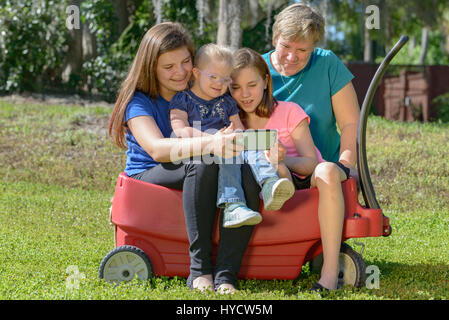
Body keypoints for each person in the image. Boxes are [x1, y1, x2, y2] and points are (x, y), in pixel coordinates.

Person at [108, 22, 256, 294]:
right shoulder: (139, 101)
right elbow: (156, 149)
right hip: (150, 174)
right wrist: (211, 142)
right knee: (202, 160)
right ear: (151, 67)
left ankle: (226, 274)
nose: (180, 72)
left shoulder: (201, 91)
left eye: (185, 62)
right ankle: (200, 271)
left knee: (244, 171)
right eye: (169, 67)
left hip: (194, 164)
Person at [261, 3, 361, 291]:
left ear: (314, 47)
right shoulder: (255, 68)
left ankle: (329, 274)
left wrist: (346, 163)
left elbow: (350, 124)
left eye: (303, 50)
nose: (292, 56)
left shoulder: (327, 64)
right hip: (269, 166)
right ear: (274, 37)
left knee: (328, 172)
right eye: (286, 46)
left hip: (317, 167)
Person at [169, 43, 295, 229]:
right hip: (200, 152)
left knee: (247, 141)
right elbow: (180, 130)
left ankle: (269, 183)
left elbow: (239, 130)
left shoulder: (226, 101)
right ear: (196, 73)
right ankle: (232, 205)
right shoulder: (183, 99)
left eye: (225, 79)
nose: (219, 84)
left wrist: (256, 142)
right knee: (229, 152)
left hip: (227, 145)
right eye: (213, 77)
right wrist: (212, 139)